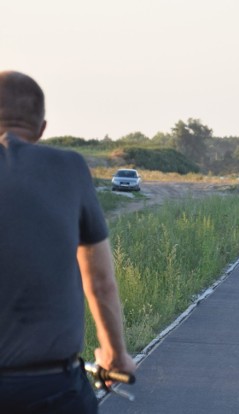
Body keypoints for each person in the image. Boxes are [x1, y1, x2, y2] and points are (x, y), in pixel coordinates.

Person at [0, 71, 136, 413]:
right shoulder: (69, 168)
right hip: (50, 388)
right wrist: (114, 356)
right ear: (42, 128)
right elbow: (100, 282)